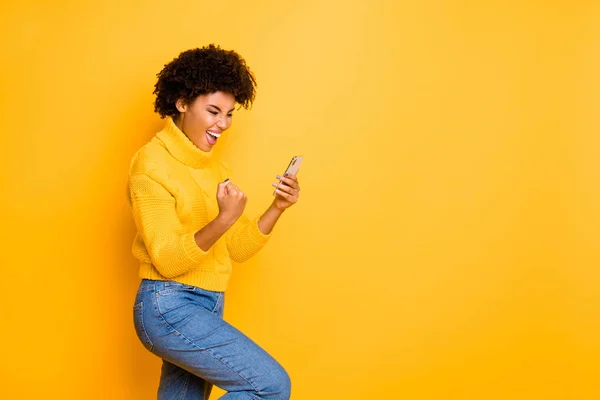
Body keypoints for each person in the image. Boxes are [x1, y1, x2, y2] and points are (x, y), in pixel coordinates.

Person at [127, 44, 299, 400]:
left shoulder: (214, 167)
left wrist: (277, 207)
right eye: (213, 111)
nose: (222, 124)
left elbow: (236, 248)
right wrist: (223, 220)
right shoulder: (151, 164)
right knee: (269, 386)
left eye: (229, 114)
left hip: (207, 303)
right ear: (182, 103)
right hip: (167, 305)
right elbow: (167, 259)